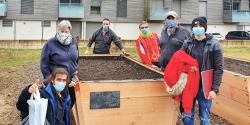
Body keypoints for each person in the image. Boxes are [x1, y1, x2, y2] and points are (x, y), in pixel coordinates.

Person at [180, 16, 224, 125]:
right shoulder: (187, 44)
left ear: (205, 28)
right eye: (195, 26)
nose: (198, 28)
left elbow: (219, 68)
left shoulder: (214, 45)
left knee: (205, 118)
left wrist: (215, 89)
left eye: (200, 26)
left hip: (205, 89)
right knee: (188, 116)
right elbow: (179, 61)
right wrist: (187, 67)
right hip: (189, 86)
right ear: (192, 28)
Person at [40, 20, 78, 108]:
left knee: (70, 98)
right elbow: (44, 62)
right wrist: (48, 78)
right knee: (54, 100)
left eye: (66, 31)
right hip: (56, 78)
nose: (64, 33)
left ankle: (66, 113)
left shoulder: (73, 41)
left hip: (69, 77)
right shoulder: (50, 43)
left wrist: (75, 66)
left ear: (70, 31)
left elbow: (76, 55)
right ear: (58, 31)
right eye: (62, 31)